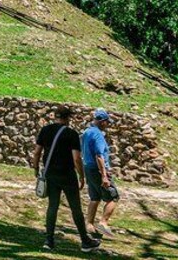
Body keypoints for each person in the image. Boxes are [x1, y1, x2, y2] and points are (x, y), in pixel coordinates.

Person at [33, 106, 101, 252]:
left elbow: (37, 152)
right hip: (67, 175)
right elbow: (76, 158)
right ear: (68, 117)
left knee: (52, 206)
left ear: (55, 116)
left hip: (50, 173)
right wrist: (81, 176)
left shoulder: (45, 130)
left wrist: (35, 169)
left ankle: (49, 240)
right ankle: (84, 241)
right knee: (75, 208)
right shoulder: (71, 134)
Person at [82, 109, 119, 237]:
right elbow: (99, 155)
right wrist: (104, 175)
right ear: (103, 122)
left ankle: (89, 225)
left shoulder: (87, 132)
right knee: (113, 197)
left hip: (88, 167)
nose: (108, 124)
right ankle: (103, 222)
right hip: (98, 170)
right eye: (107, 122)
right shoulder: (98, 134)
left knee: (95, 197)